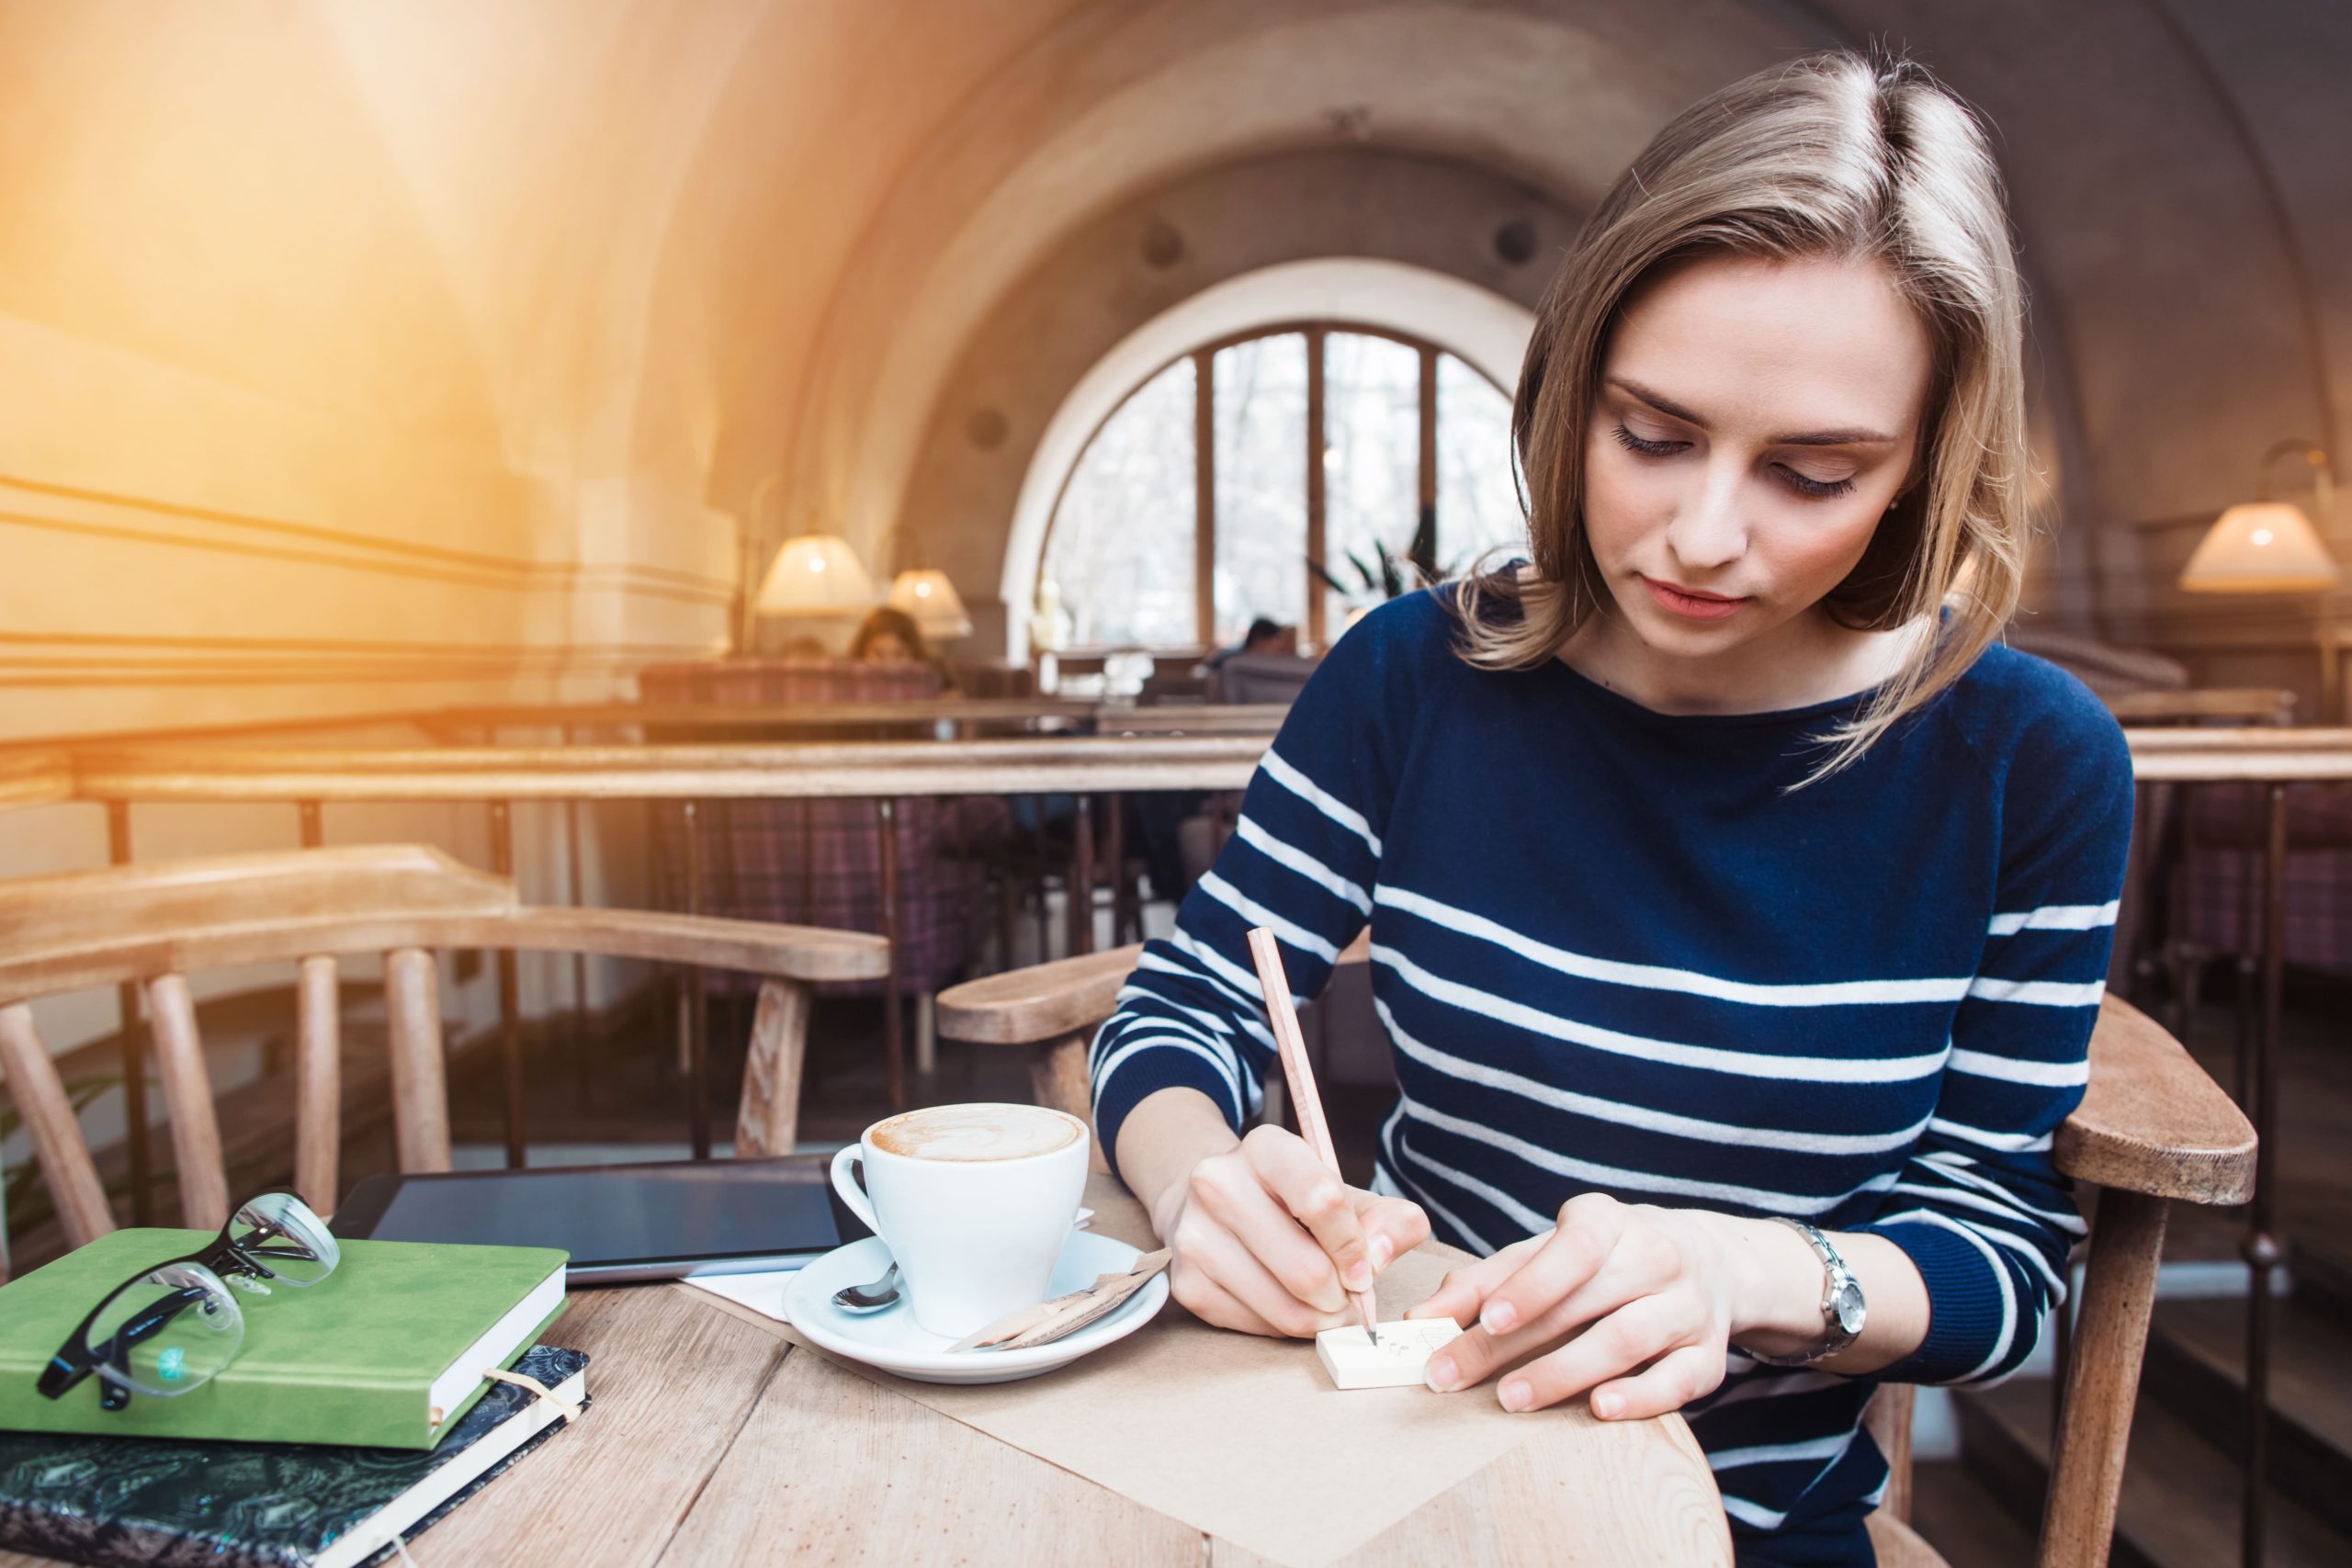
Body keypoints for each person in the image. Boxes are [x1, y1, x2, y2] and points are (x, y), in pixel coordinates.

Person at [1089, 50, 2131, 1567]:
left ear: (1924, 469)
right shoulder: (1413, 677)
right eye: (1652, 434)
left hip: (1743, 1529)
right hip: (1372, 1473)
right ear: (1572, 384)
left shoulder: (2028, 764)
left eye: (1814, 472)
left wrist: (1753, 1272)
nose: (1705, 537)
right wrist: (1196, 1181)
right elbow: (1184, 1005)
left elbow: (2005, 1271)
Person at [849, 605, 959, 693]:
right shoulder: (849, 685)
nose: (889, 665)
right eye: (878, 654)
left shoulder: (933, 682)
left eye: (899, 654)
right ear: (862, 653)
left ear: (915, 654)